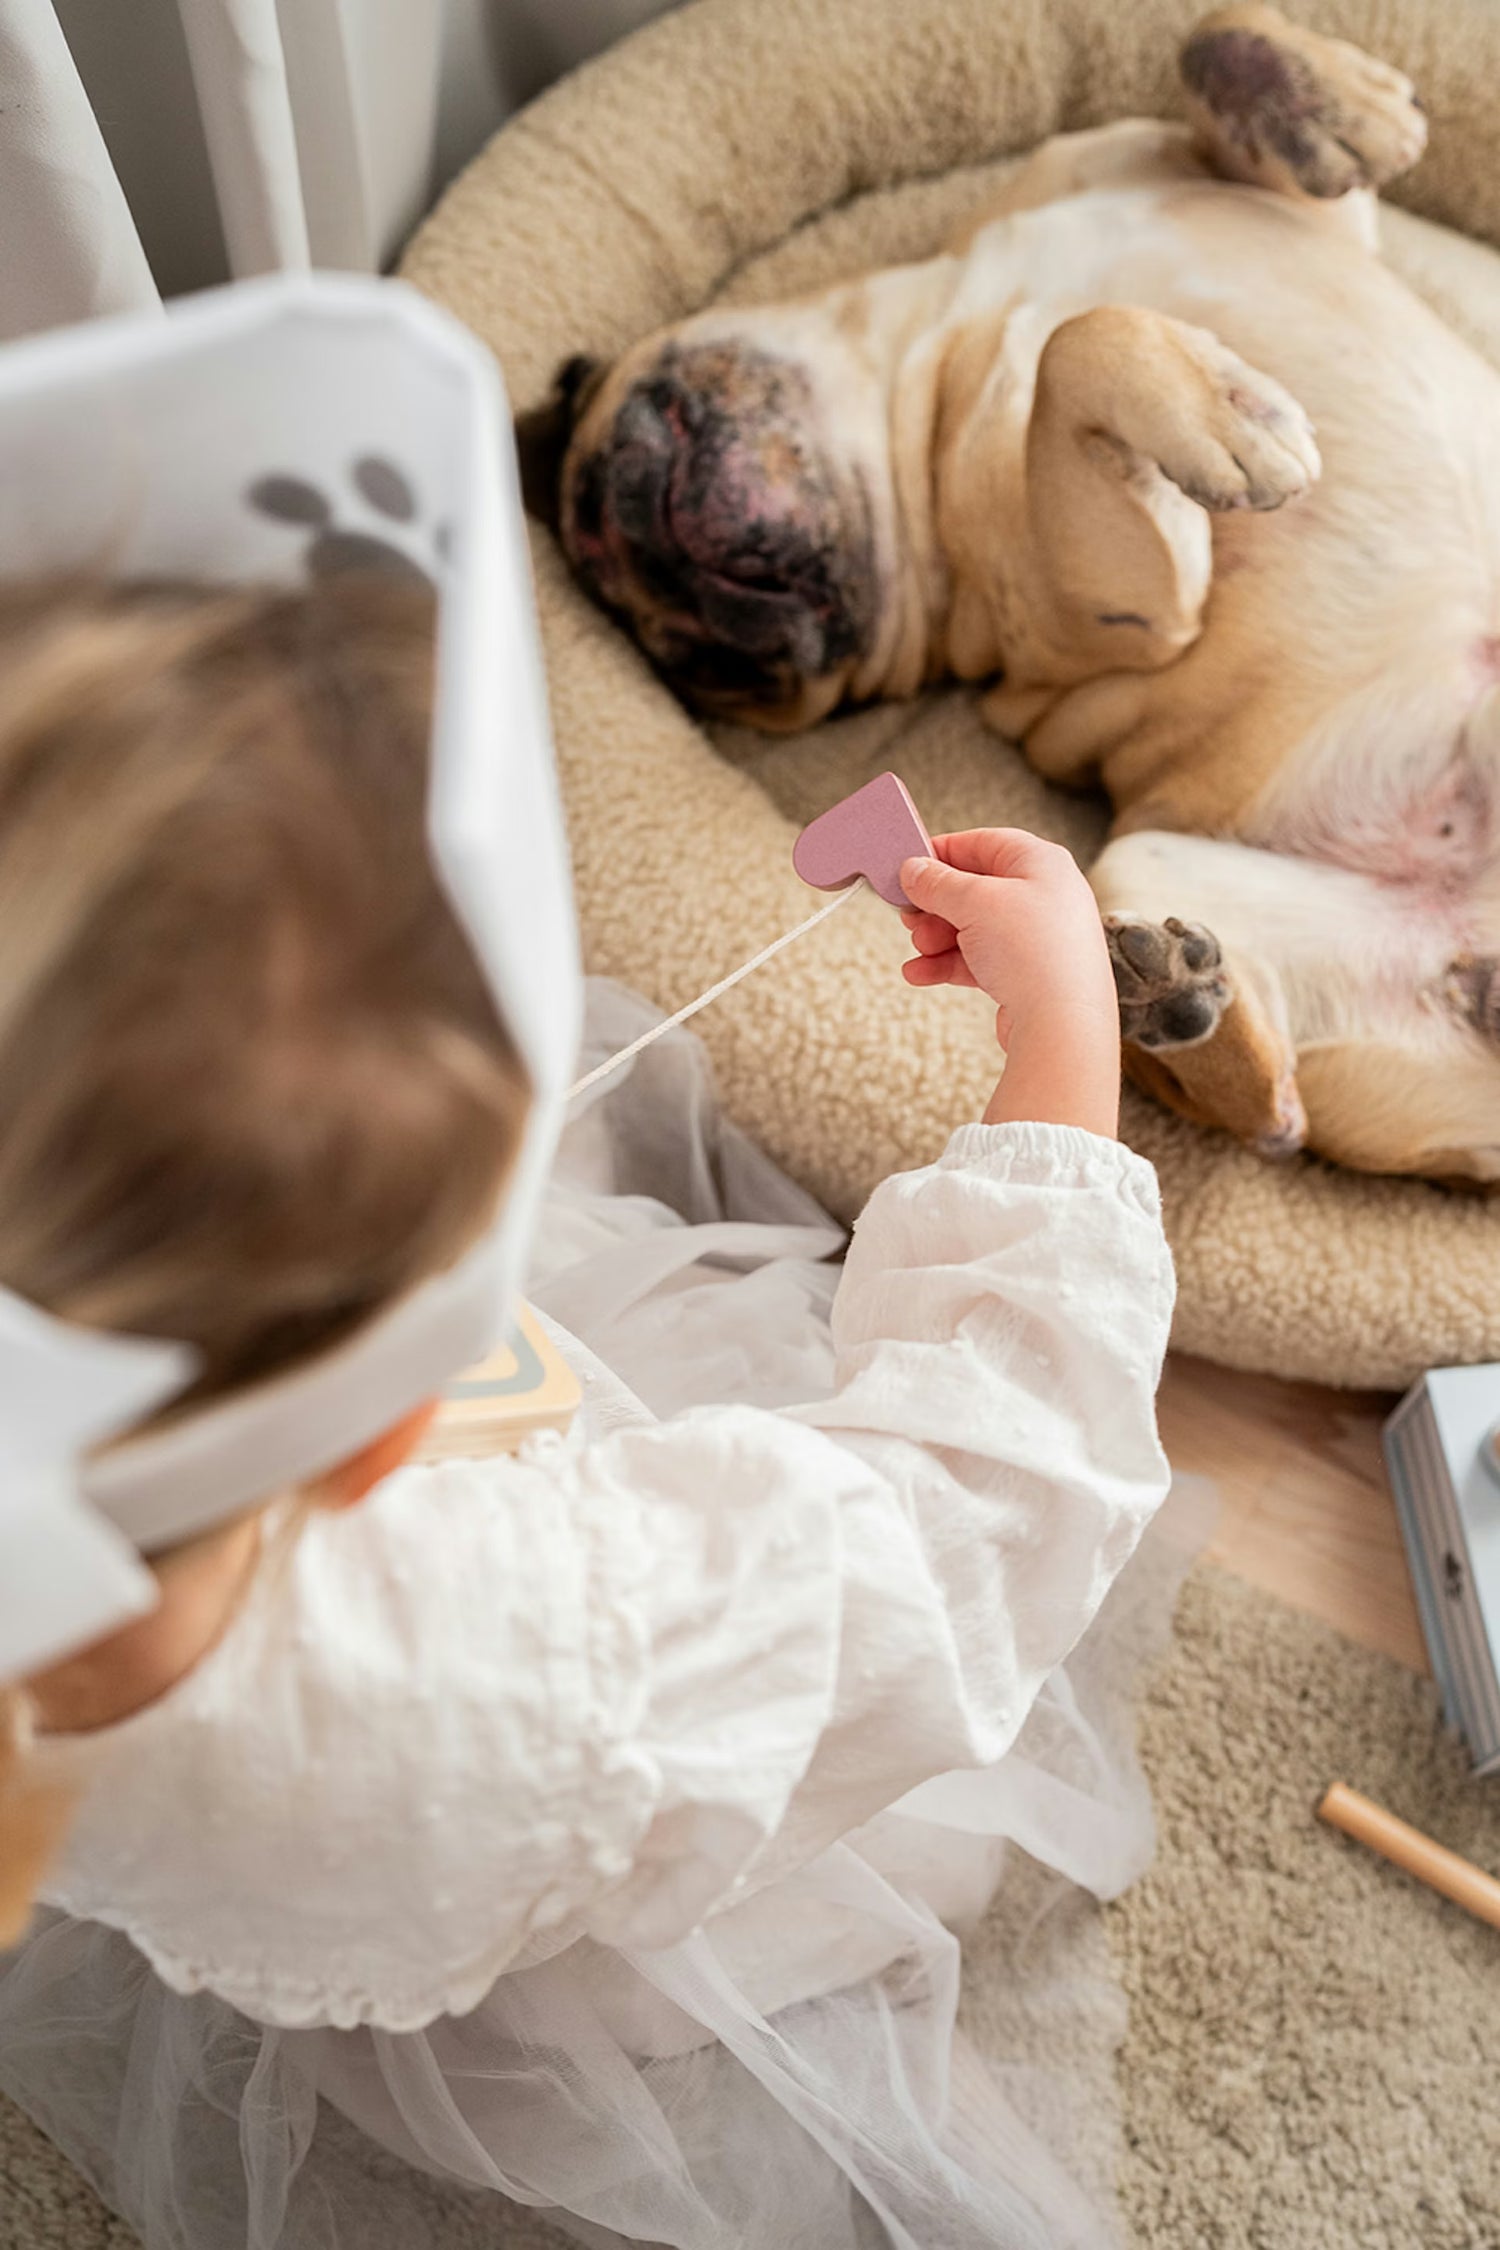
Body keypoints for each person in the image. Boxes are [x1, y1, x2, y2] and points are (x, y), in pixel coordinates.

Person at [0, 279, 1183, 2250]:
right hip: (558, 1882)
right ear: (387, 1439)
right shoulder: (538, 1652)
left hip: (176, 1830)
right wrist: (1067, 1067)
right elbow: (970, 1518)